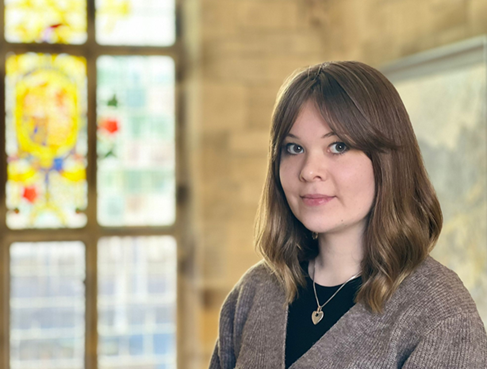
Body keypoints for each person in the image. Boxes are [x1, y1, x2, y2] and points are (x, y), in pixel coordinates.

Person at [209, 61, 487, 369]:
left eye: (338, 146)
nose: (309, 171)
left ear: (387, 162)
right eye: (294, 148)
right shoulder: (255, 291)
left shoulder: (440, 316)